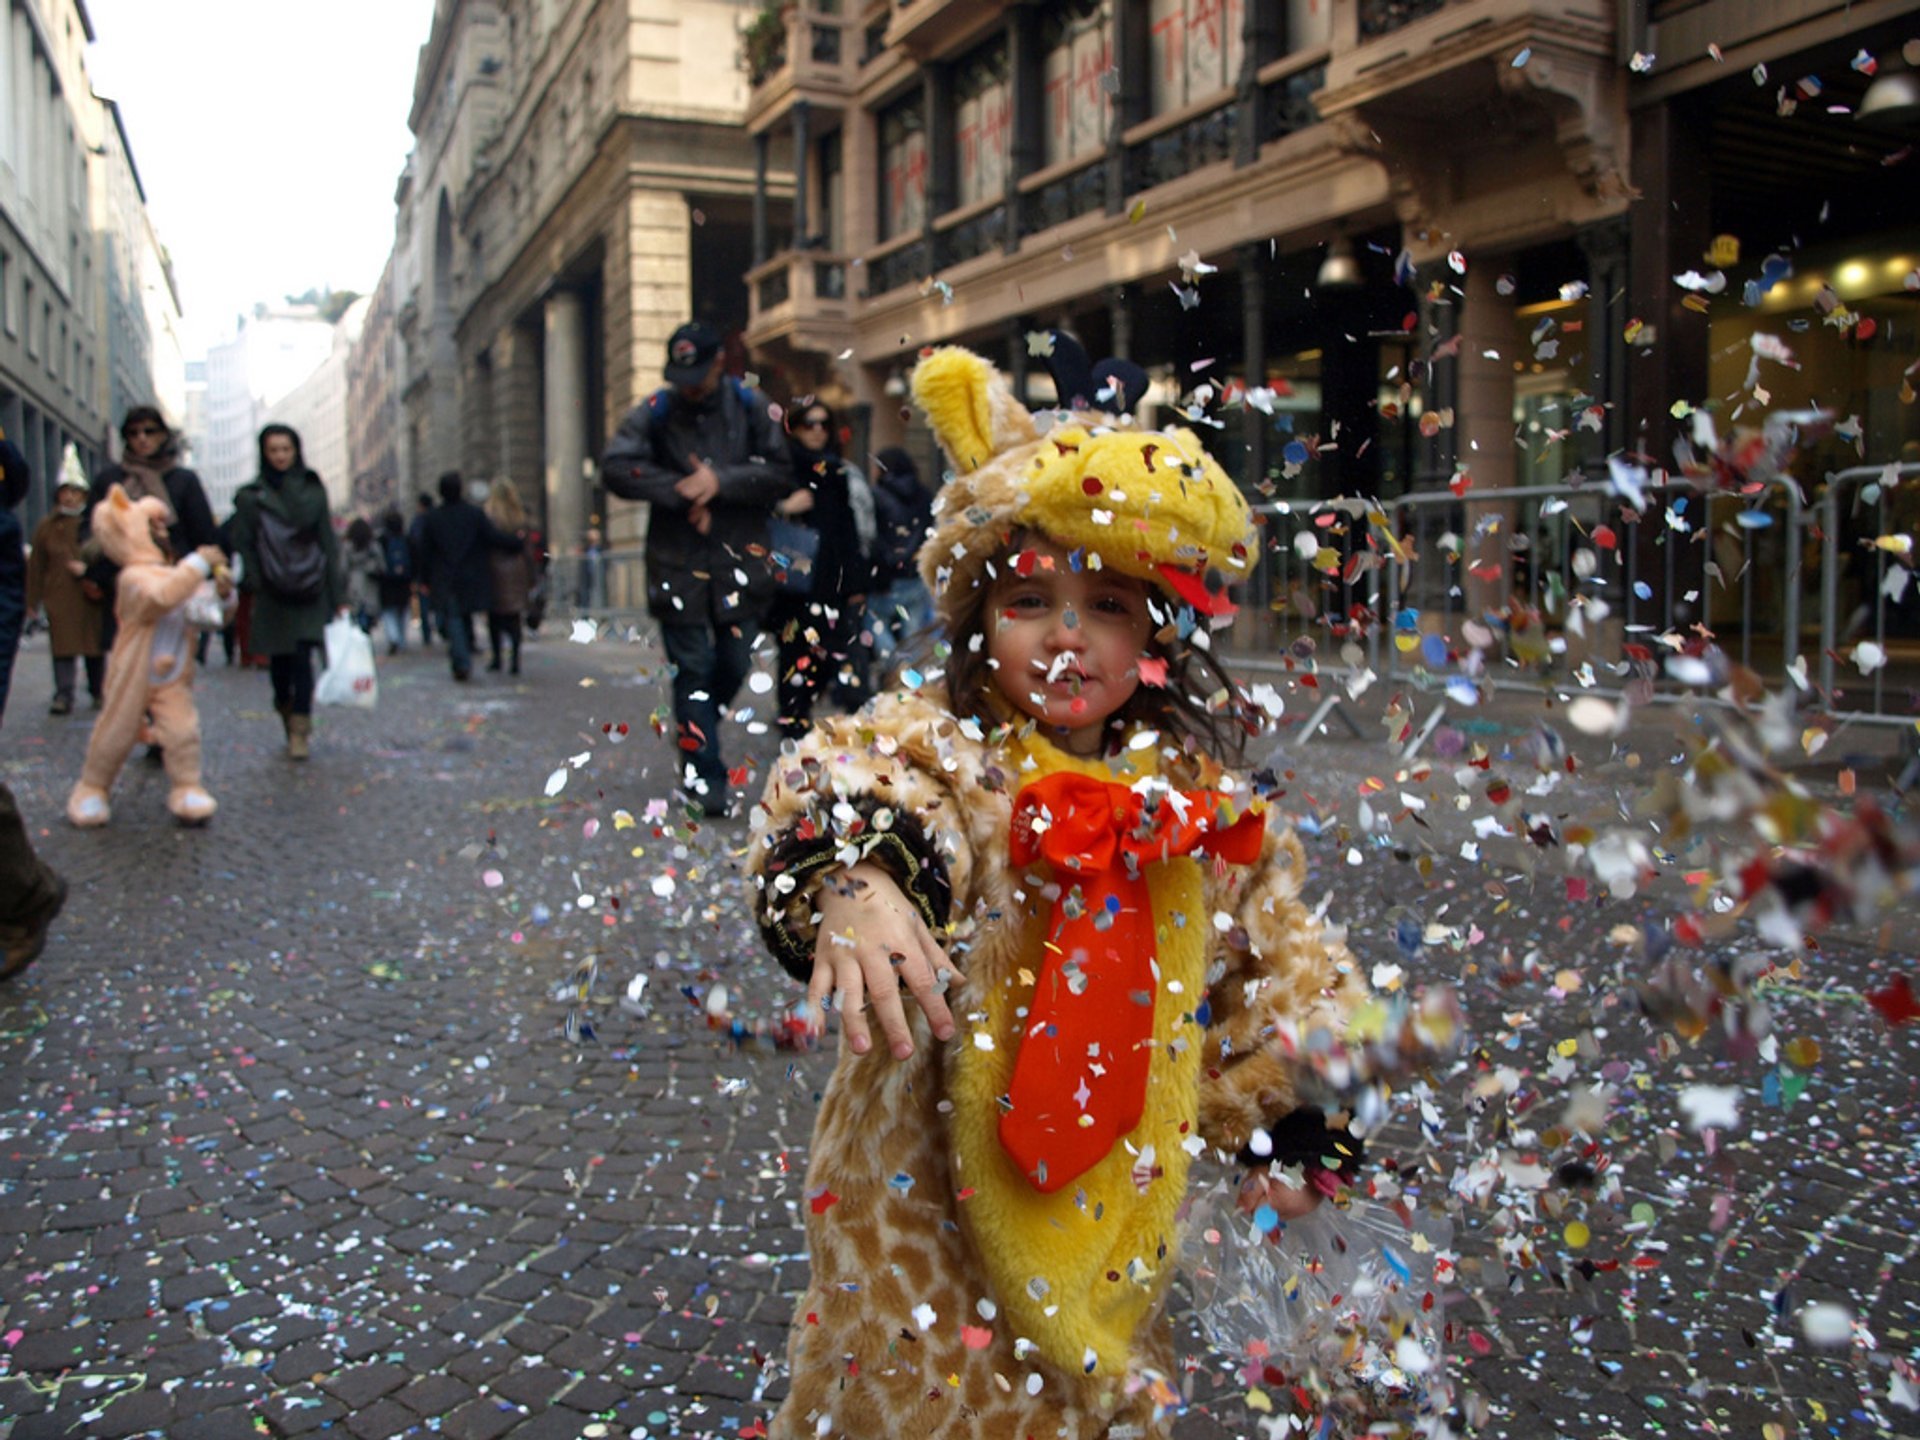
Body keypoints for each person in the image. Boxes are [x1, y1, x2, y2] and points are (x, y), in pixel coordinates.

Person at [747, 345, 1364, 1439]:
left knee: (1094, 1403)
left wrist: (1293, 1131)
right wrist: (859, 875)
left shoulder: (1201, 808)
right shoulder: (955, 749)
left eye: (1107, 606)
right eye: (1031, 599)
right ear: (982, 621)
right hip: (925, 1197)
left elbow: (1276, 966)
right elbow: (863, 775)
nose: (1067, 634)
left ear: (1154, 637)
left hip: (1113, 1206)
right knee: (921, 1401)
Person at [599, 320, 790, 817]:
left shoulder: (752, 405)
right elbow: (616, 465)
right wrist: (682, 488)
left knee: (733, 665)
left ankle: (695, 735)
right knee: (694, 672)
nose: (688, 386)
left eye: (698, 375)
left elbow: (780, 471)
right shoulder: (657, 410)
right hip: (677, 565)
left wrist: (720, 483)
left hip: (739, 565)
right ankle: (705, 774)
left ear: (721, 363)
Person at [229, 425, 342, 761]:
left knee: (303, 660)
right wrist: (253, 581)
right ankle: (285, 708)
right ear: (264, 453)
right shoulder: (252, 496)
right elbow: (244, 542)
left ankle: (300, 730)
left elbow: (328, 542)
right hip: (272, 590)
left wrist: (338, 596)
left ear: (296, 451)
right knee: (280, 664)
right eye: (273, 450)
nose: (280, 456)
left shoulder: (312, 489)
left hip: (310, 587)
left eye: (286, 449)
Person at [767, 400, 872, 739]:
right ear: (794, 427)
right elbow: (752, 520)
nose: (817, 431)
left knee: (832, 652)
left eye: (824, 424)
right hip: (794, 584)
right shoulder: (780, 468)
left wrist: (856, 581)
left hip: (832, 580)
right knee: (795, 653)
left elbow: (849, 530)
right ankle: (794, 722)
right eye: (809, 424)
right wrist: (783, 507)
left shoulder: (836, 470)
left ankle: (809, 710)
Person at [82, 406, 216, 653]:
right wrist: (94, 573)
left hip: (171, 580)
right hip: (121, 582)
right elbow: (92, 531)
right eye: (133, 433)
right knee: (124, 656)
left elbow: (203, 533)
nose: (142, 438)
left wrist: (201, 572)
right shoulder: (110, 479)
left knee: (167, 663)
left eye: (149, 431)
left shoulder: (183, 480)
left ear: (163, 435)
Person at [415, 471, 525, 681]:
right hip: (470, 577)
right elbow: (493, 537)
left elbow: (425, 552)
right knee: (460, 617)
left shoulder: (433, 518)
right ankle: (463, 657)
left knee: (456, 618)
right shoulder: (473, 514)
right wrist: (516, 542)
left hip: (446, 578)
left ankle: (462, 659)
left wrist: (424, 579)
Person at [25, 473, 105, 713]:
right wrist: (32, 600)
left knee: (94, 646)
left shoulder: (95, 523)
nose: (70, 497)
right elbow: (37, 565)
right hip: (60, 595)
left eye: (75, 491)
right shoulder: (47, 526)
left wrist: (93, 573)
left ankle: (98, 690)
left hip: (90, 594)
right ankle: (64, 693)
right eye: (65, 491)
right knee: (62, 646)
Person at [865, 444, 935, 665]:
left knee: (874, 621)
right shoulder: (924, 495)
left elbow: (872, 537)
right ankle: (908, 676)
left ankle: (893, 668)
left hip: (886, 575)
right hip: (914, 575)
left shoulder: (876, 495)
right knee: (912, 632)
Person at [481, 478, 538, 675]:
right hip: (516, 570)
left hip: (494, 569)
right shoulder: (519, 516)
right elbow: (528, 549)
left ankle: (497, 658)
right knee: (514, 618)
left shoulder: (489, 515)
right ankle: (514, 659)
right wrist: (532, 574)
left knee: (495, 617)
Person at [374, 509, 414, 655]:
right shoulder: (407, 539)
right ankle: (401, 639)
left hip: (387, 582)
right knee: (403, 611)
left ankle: (394, 637)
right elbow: (415, 559)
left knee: (389, 611)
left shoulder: (382, 540)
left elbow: (378, 562)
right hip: (404, 581)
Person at [341, 516, 382, 633]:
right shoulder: (373, 546)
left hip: (353, 586)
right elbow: (382, 565)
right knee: (367, 619)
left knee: (356, 619)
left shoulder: (347, 547)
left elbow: (343, 568)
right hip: (370, 587)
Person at [407, 492, 438, 646]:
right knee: (440, 601)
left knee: (424, 603)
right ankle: (441, 626)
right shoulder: (438, 518)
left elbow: (413, 546)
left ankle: (427, 634)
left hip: (422, 568)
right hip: (439, 569)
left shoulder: (418, 522)